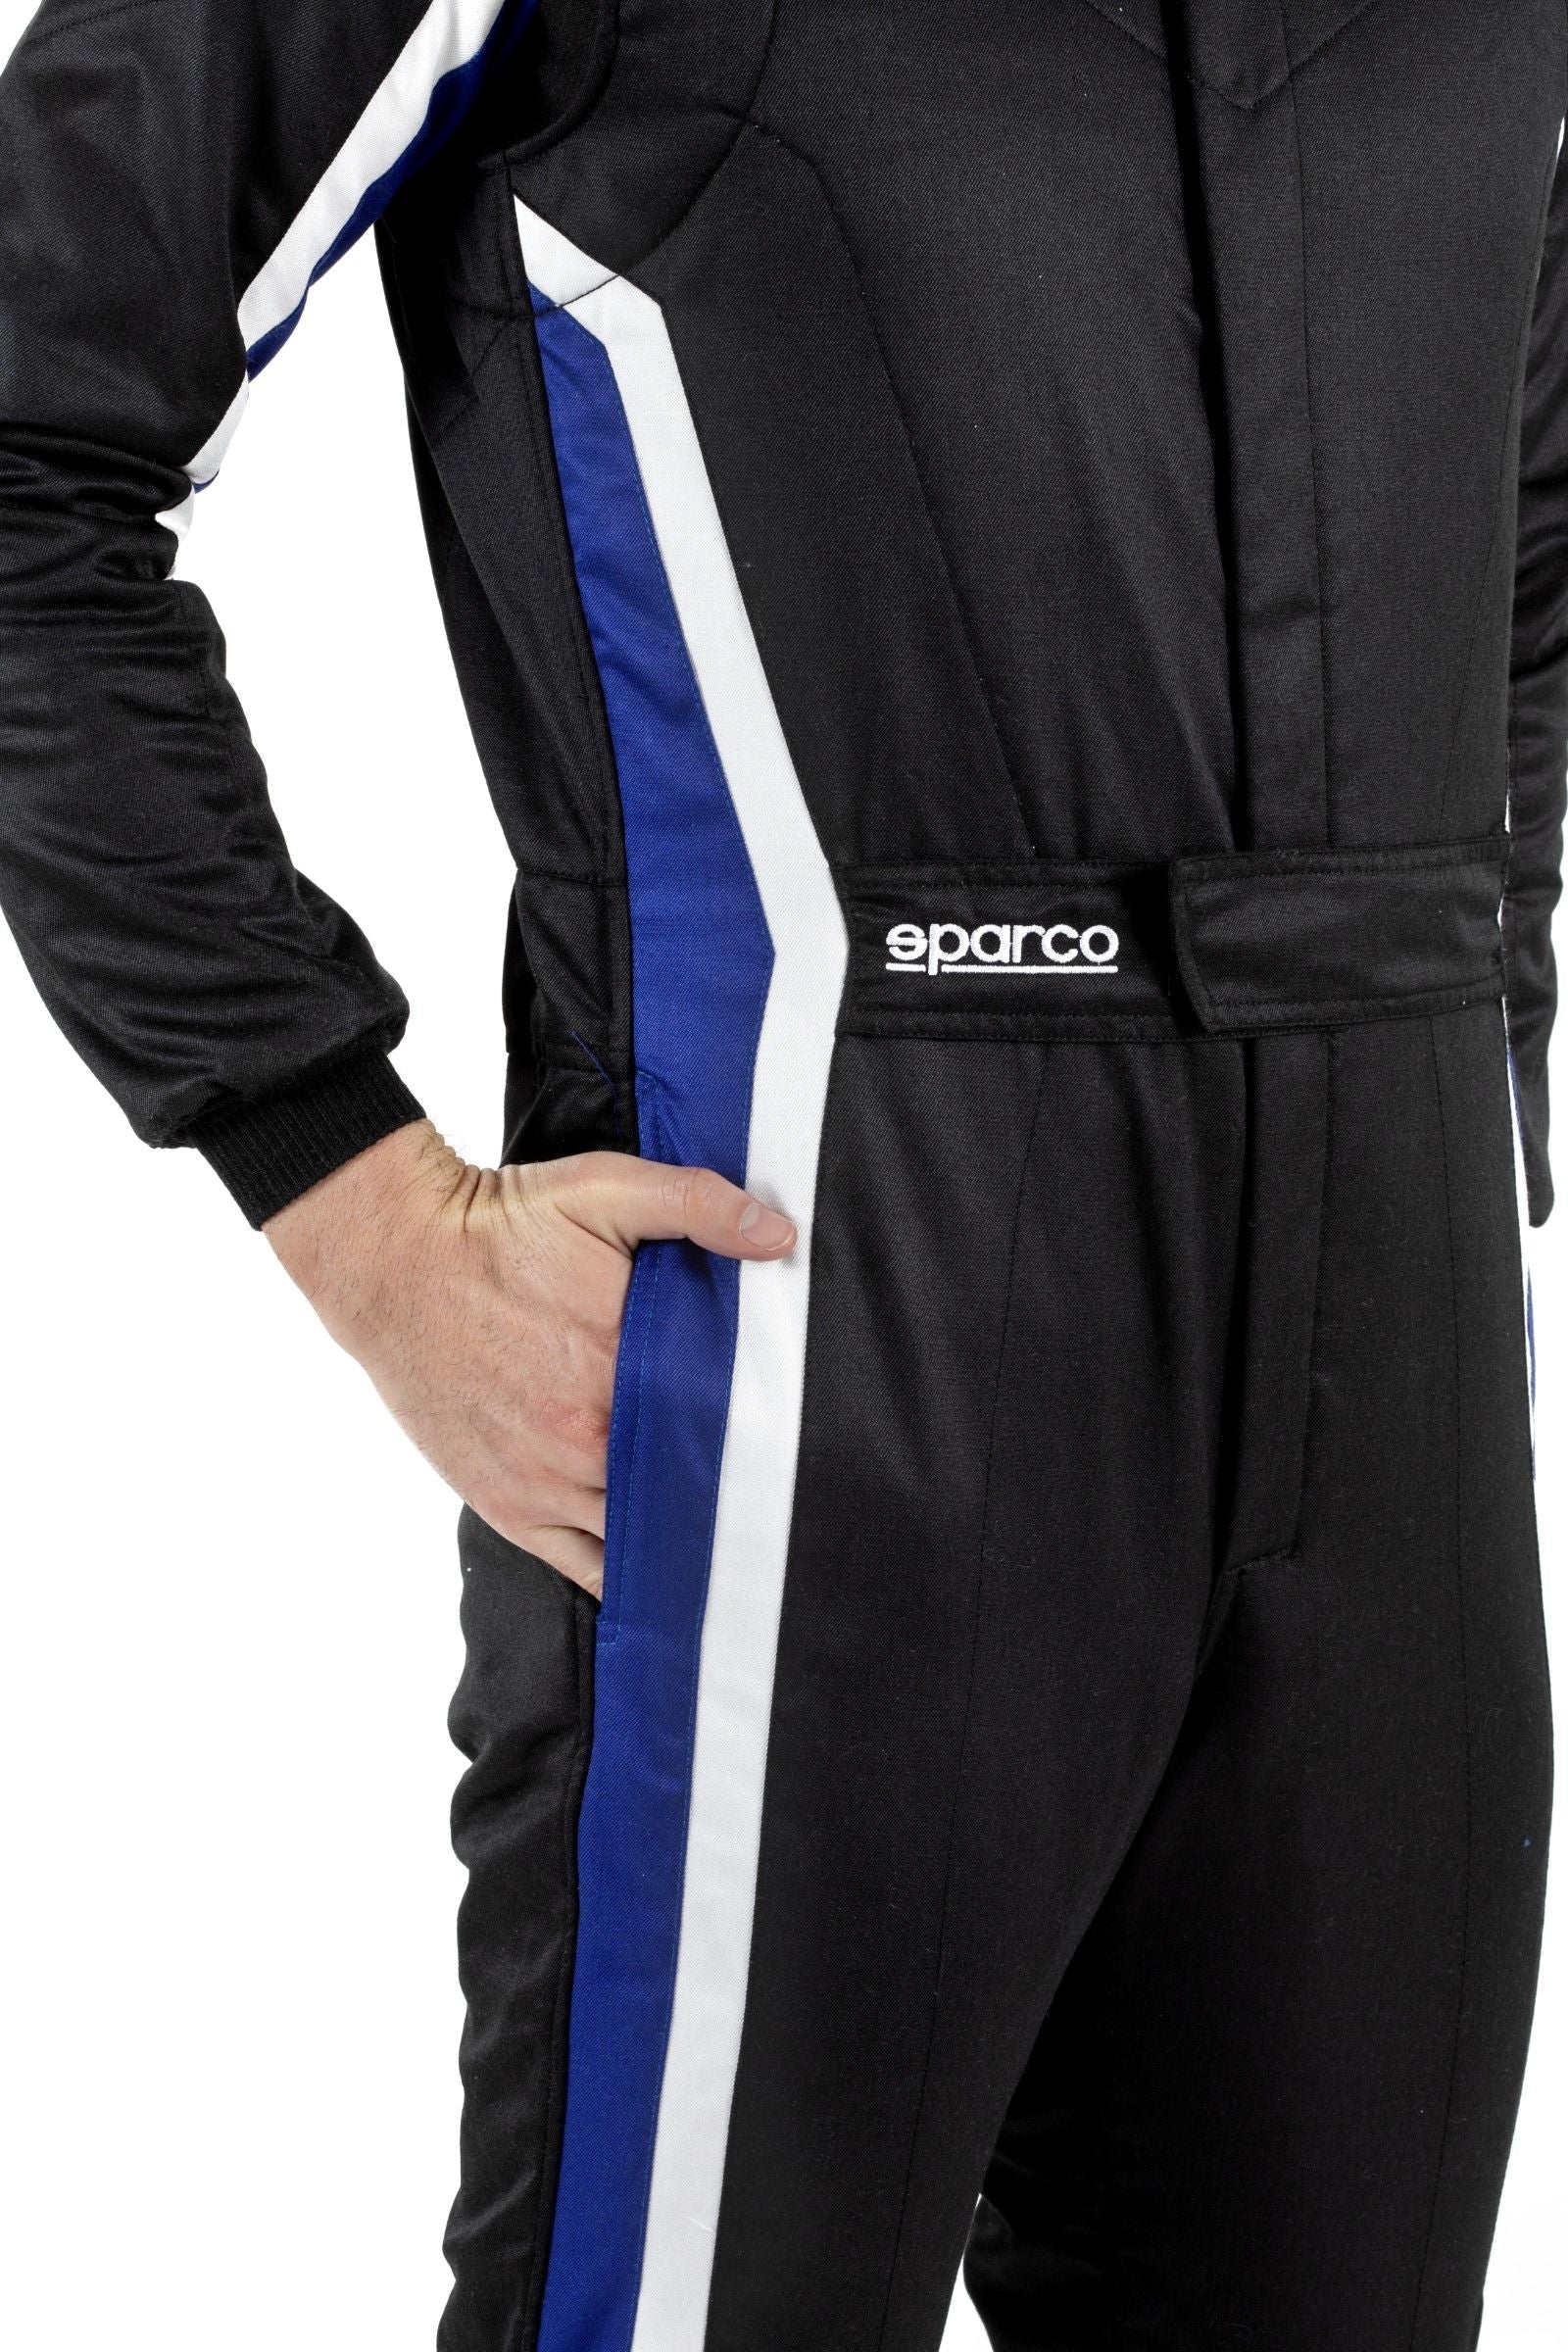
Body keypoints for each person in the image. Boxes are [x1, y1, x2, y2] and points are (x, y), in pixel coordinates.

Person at [0, 2, 1560, 2346]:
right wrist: (347, 1186)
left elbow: (1523, 469)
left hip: (1398, 1349)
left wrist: (1476, 1008)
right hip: (819, 1303)